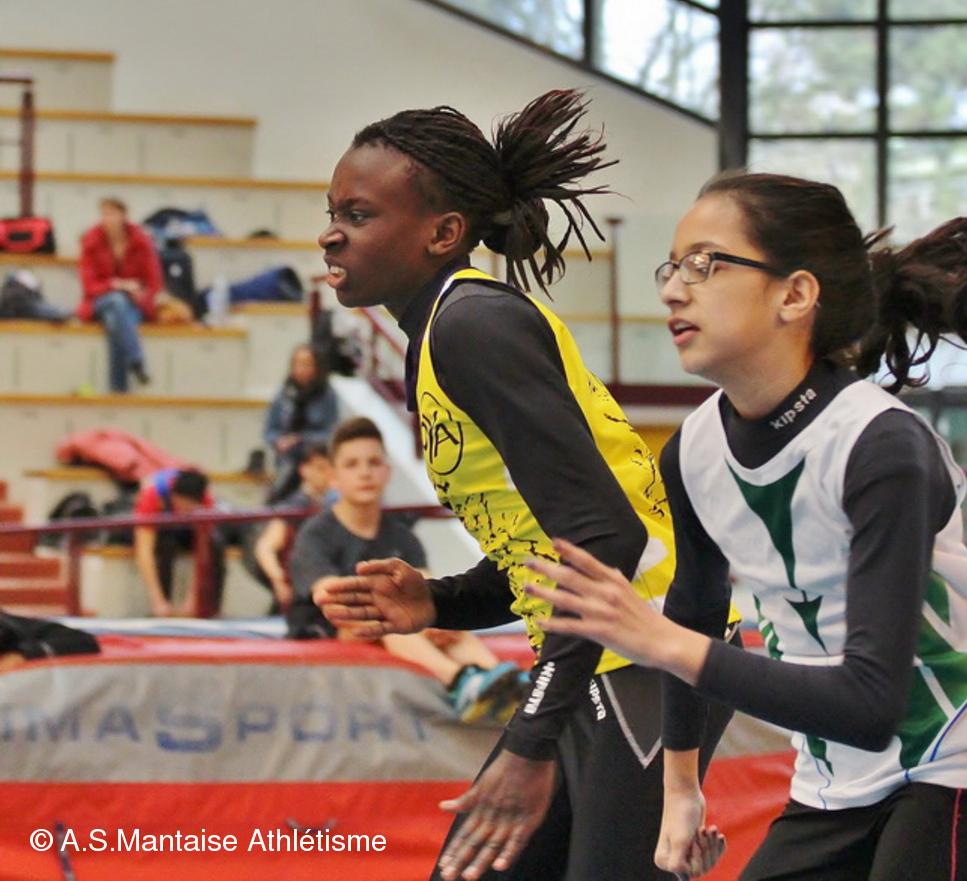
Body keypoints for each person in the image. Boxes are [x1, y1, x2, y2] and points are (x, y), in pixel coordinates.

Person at [519, 170, 967, 880]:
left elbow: (871, 704)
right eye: (672, 266)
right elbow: (695, 610)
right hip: (831, 778)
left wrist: (658, 640)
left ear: (795, 295)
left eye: (705, 264)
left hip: (954, 758)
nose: (673, 289)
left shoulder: (882, 447)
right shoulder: (692, 453)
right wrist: (680, 790)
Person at [310, 89, 735, 880]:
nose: (331, 232)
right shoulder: (441, 331)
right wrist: (441, 601)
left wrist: (532, 738)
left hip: (647, 657)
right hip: (591, 654)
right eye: (333, 212)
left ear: (444, 233)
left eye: (359, 215)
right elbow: (545, 543)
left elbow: (607, 537)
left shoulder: (473, 326)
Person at [288, 417, 524, 723]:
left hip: (390, 618)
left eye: (374, 463)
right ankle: (458, 681)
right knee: (388, 613)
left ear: (387, 472)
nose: (365, 473)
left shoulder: (401, 536)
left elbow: (426, 586)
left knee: (439, 615)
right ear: (333, 476)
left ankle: (500, 679)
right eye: (352, 465)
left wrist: (439, 621)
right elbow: (331, 597)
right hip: (332, 624)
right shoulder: (315, 535)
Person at [76, 197, 163, 393]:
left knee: (115, 319)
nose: (107, 219)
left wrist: (140, 295)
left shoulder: (141, 241)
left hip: (132, 305)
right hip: (99, 301)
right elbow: (89, 286)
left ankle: (118, 391)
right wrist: (118, 285)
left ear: (123, 215)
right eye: (104, 214)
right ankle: (136, 360)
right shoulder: (92, 241)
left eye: (111, 213)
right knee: (116, 301)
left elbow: (154, 282)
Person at [248, 441, 332, 611]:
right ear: (304, 470)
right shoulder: (294, 507)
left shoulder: (329, 506)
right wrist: (279, 580)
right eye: (320, 468)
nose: (326, 474)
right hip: (297, 590)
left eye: (329, 468)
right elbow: (265, 548)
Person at [133, 467, 225, 617]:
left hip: (186, 533)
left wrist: (193, 599)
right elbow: (144, 549)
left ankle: (211, 611)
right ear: (173, 496)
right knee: (164, 544)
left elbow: (203, 550)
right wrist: (157, 600)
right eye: (181, 504)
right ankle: (163, 604)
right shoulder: (153, 494)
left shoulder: (206, 502)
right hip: (162, 533)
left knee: (216, 544)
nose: (183, 511)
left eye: (189, 508)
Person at [263, 343, 340, 503]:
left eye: (306, 364)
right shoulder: (283, 394)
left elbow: (331, 433)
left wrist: (301, 439)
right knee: (278, 500)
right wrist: (278, 441)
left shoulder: (327, 395)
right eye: (297, 364)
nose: (301, 369)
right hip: (286, 464)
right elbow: (270, 430)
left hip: (315, 461)